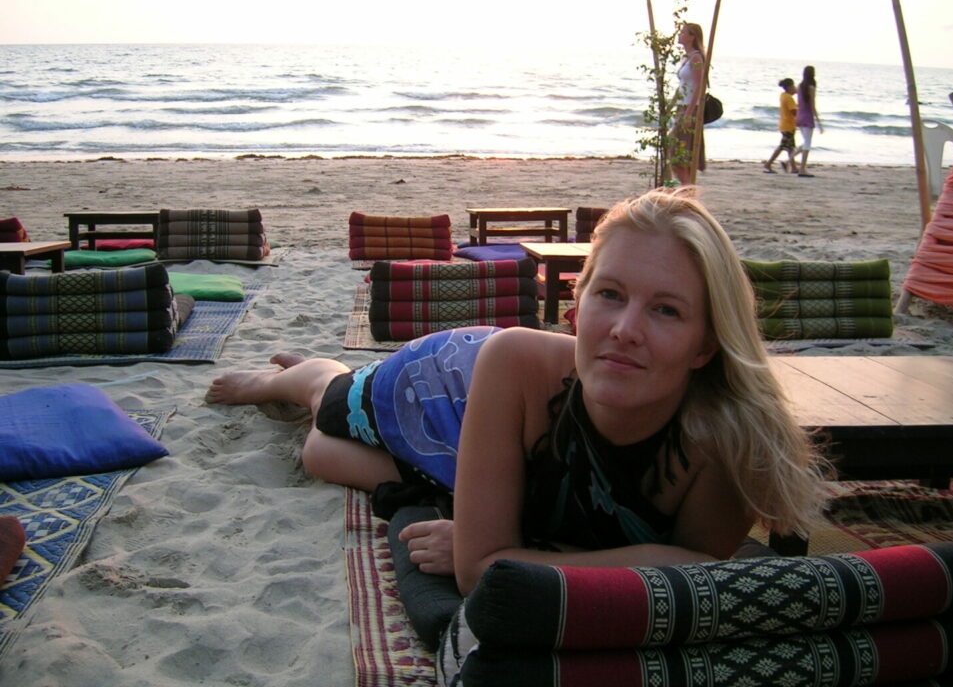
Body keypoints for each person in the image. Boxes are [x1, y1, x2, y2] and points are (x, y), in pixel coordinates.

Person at [206, 188, 830, 597]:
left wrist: (512, 549)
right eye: (610, 295)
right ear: (576, 308)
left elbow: (697, 577)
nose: (625, 329)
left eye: (666, 310)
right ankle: (297, 376)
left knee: (323, 456)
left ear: (706, 344)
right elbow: (487, 572)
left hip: (490, 447)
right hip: (448, 384)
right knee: (327, 414)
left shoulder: (733, 443)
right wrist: (506, 551)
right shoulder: (515, 359)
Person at [670, 23, 708, 185]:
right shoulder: (686, 58)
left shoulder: (696, 58)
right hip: (682, 106)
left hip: (689, 108)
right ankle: (687, 189)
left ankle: (688, 190)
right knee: (676, 155)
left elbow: (700, 85)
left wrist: (689, 113)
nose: (680, 35)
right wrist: (671, 105)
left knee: (679, 156)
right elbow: (683, 86)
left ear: (692, 37)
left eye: (684, 32)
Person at [763, 78, 799, 174]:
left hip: (785, 125)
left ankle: (794, 168)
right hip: (788, 126)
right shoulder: (789, 98)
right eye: (793, 86)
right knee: (782, 146)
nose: (795, 88)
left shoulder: (783, 95)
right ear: (790, 87)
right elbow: (794, 112)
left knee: (790, 147)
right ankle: (768, 164)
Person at [796, 65, 823, 177]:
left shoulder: (800, 86)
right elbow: (812, 105)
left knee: (805, 142)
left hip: (800, 115)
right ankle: (802, 168)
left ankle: (789, 160)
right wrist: (819, 121)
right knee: (807, 143)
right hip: (807, 116)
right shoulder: (811, 87)